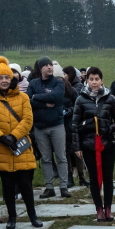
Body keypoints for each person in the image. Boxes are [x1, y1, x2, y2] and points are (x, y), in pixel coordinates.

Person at [0, 57, 41, 229]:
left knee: (25, 184)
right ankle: (12, 217)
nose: (4, 81)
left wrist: (14, 136)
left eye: (7, 77)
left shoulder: (23, 97)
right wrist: (1, 137)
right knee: (7, 186)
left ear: (12, 79)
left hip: (20, 145)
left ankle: (32, 215)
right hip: (1, 147)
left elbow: (28, 120)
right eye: (1, 78)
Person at [70, 67, 115, 222]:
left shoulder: (110, 98)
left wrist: (111, 128)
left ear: (101, 80)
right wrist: (77, 146)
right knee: (94, 178)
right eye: (91, 79)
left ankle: (108, 209)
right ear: (87, 80)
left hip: (106, 144)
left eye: (97, 79)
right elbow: (74, 124)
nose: (94, 82)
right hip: (88, 144)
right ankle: (98, 209)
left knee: (108, 178)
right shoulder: (81, 99)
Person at [26, 58, 70, 199]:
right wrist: (45, 104)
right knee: (45, 158)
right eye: (46, 65)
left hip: (56, 124)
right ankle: (49, 187)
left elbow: (57, 97)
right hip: (40, 127)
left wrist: (37, 97)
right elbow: (28, 101)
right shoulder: (33, 83)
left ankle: (63, 186)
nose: (49, 67)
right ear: (40, 68)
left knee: (61, 156)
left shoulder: (58, 82)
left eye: (50, 64)